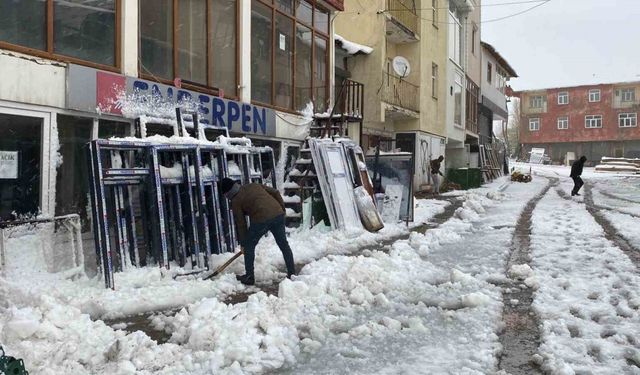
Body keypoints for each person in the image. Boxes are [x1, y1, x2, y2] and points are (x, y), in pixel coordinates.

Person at [219, 178, 296, 285]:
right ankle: (292, 273)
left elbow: (241, 224)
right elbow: (275, 192)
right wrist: (282, 208)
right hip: (278, 214)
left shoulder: (235, 200)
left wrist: (243, 244)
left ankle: (249, 276)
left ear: (227, 193)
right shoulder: (253, 185)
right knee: (283, 244)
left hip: (261, 219)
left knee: (249, 245)